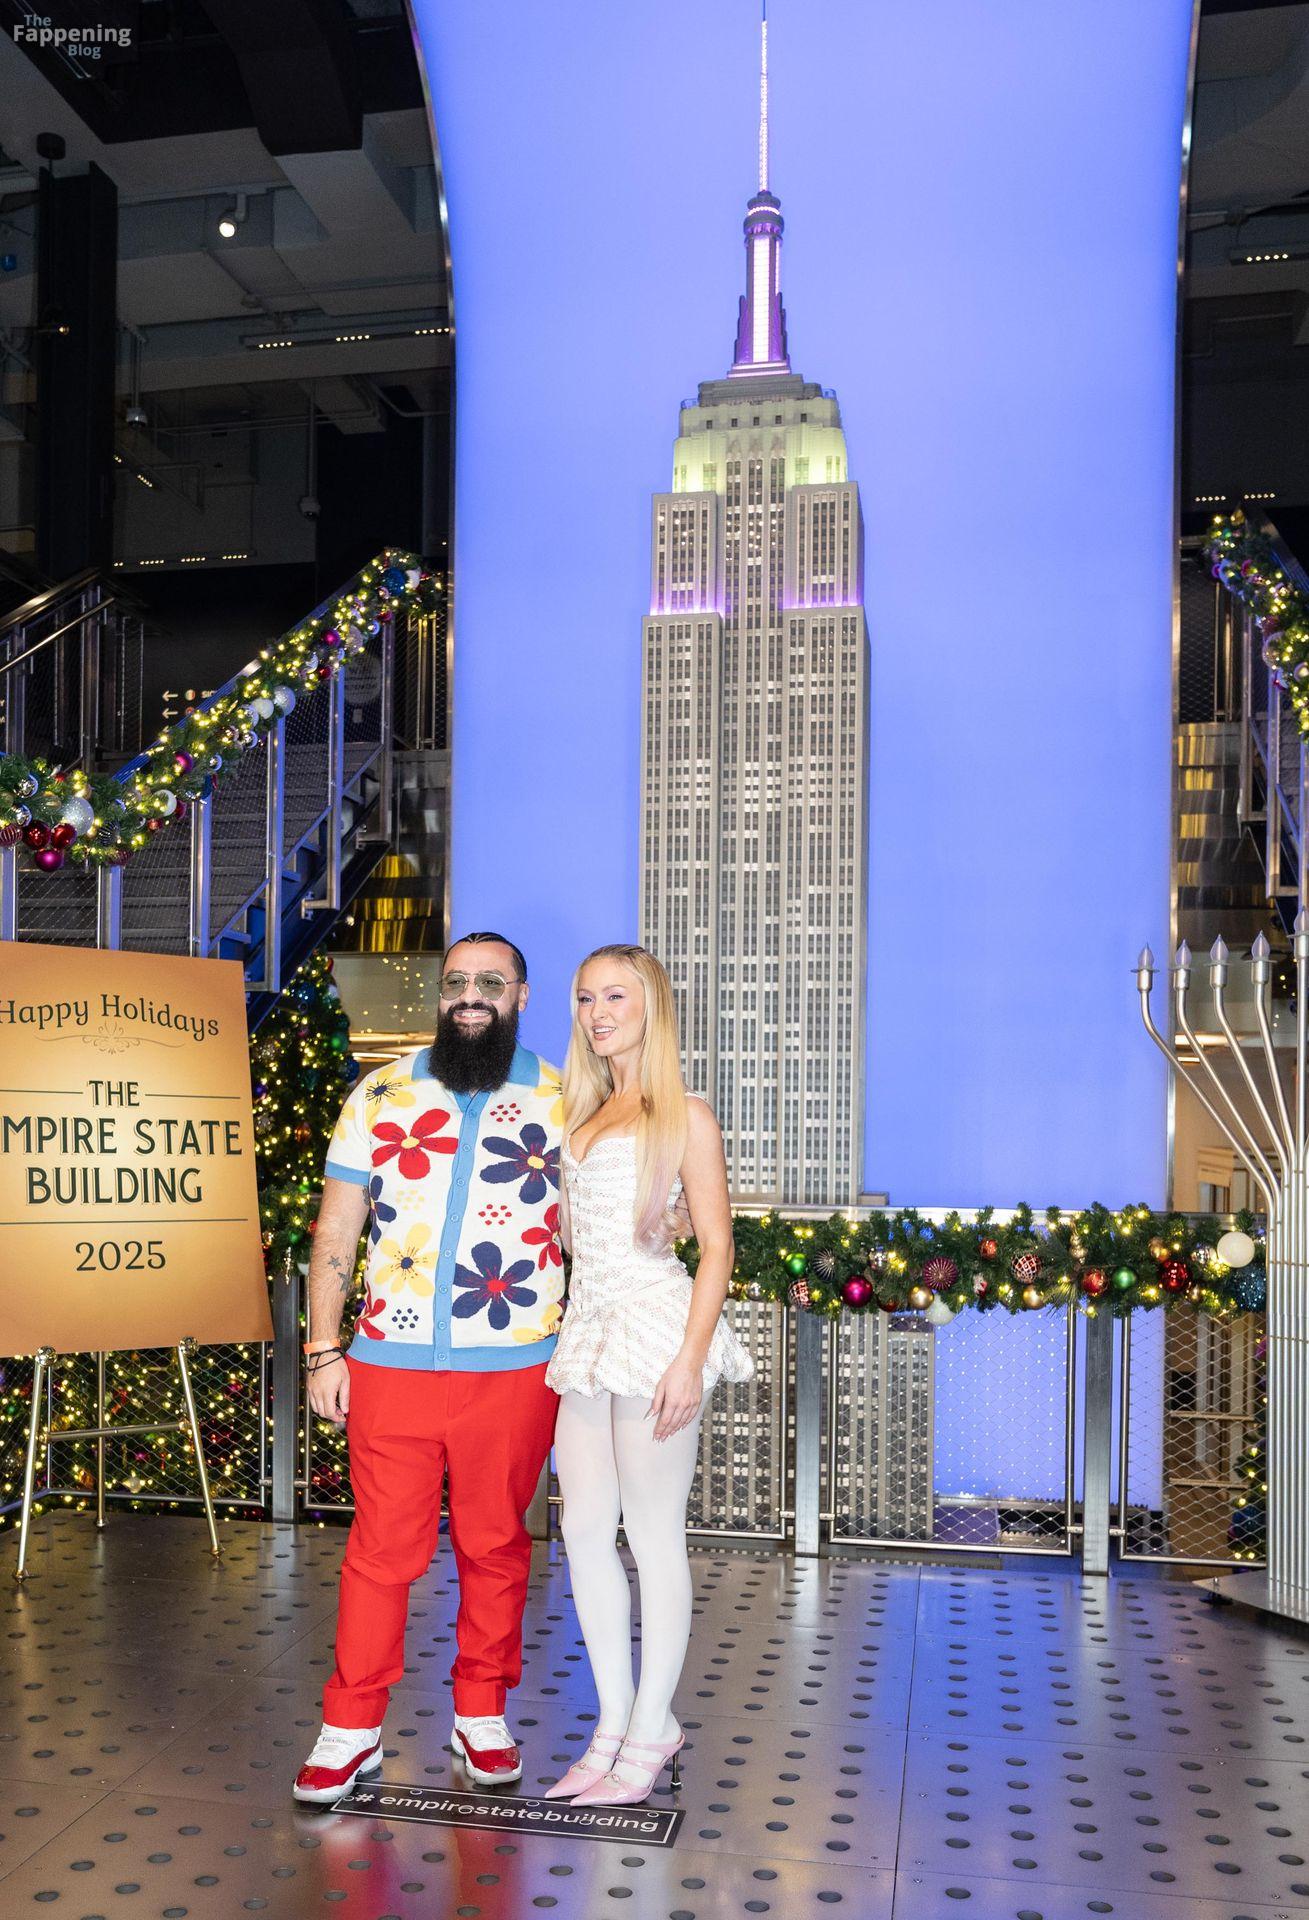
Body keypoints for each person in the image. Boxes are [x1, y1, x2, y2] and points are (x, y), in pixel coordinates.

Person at [292, 933, 564, 1805]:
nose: (470, 995)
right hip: (389, 1364)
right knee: (380, 1553)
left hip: (515, 1368)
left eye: (491, 981)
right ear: (440, 995)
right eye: (456, 982)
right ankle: (351, 1726)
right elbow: (336, 1231)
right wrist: (322, 1348)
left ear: (520, 995)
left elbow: (590, 1230)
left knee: (496, 1547)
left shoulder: (565, 1099)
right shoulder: (380, 1093)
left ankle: (481, 1712)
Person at [542, 943, 753, 1807]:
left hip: (654, 1330)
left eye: (615, 997)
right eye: (585, 998)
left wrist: (689, 1361)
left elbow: (718, 1247)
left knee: (653, 1534)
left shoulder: (684, 1114)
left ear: (650, 1007)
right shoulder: (581, 1112)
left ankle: (653, 1724)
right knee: (584, 1529)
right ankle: (613, 1726)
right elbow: (577, 1236)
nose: (597, 1013)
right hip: (588, 1332)